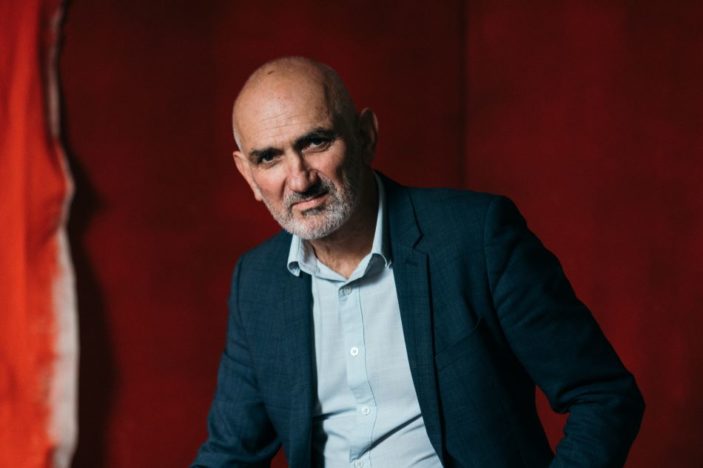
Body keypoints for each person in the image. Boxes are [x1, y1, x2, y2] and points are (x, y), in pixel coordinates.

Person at [192, 57, 644, 468]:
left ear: (365, 136)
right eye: (269, 157)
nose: (299, 179)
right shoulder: (256, 282)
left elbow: (603, 395)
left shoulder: (477, 238)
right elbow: (230, 455)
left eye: (315, 141)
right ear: (248, 175)